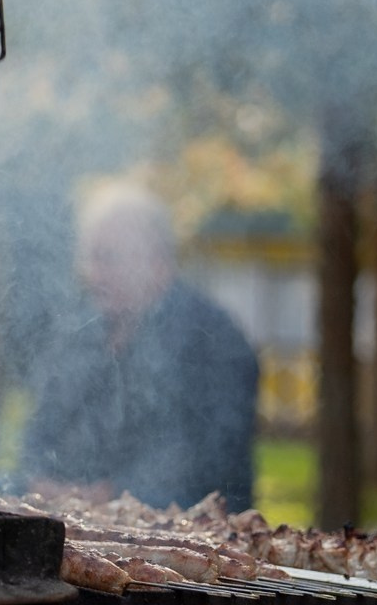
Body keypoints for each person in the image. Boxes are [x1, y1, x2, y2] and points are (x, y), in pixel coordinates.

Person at [21, 183, 259, 509]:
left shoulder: (214, 340)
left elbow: (210, 459)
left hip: (188, 532)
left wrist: (116, 492)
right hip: (75, 518)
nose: (94, 274)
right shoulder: (77, 335)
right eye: (90, 257)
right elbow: (39, 434)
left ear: (158, 264)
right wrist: (41, 482)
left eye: (109, 259)